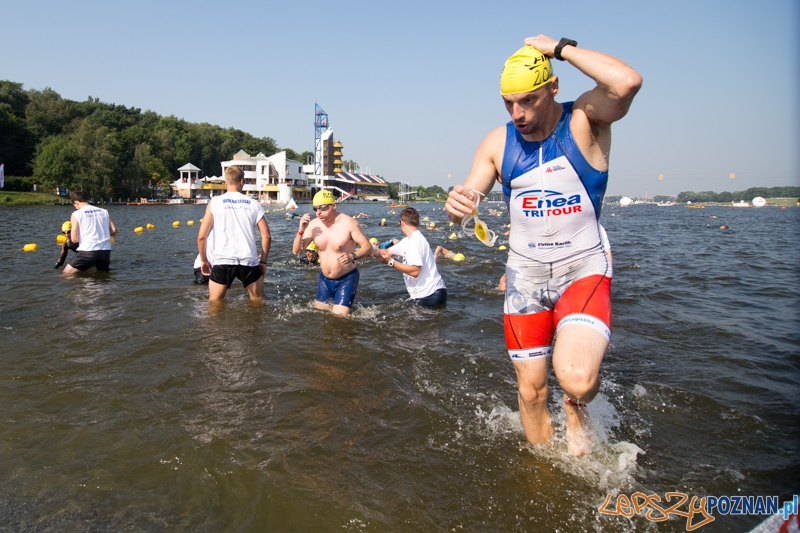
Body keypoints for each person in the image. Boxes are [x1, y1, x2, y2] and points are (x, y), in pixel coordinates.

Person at [445, 35, 641, 455]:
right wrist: (457, 206)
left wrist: (559, 48)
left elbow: (626, 82)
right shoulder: (498, 143)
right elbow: (468, 200)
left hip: (582, 267)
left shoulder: (584, 120)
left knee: (577, 379)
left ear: (553, 87)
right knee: (531, 392)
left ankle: (575, 406)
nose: (517, 114)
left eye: (528, 101)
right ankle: (544, 471)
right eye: (508, 103)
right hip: (525, 277)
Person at [197, 166, 271, 301]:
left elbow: (202, 237)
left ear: (226, 182)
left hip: (223, 259)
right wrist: (263, 262)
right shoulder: (254, 204)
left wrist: (204, 260)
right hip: (248, 260)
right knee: (257, 303)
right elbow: (266, 235)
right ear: (242, 182)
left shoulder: (215, 202)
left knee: (215, 304)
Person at [292, 190, 372, 316]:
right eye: (315, 208)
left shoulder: (349, 223)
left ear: (334, 206)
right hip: (324, 280)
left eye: (323, 207)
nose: (318, 212)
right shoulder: (313, 225)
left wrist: (353, 256)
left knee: (338, 318)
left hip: (346, 278)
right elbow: (297, 250)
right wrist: (300, 230)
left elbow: (367, 246)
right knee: (319, 316)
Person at [374, 207, 447, 306]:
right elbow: (387, 251)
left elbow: (415, 271)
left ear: (402, 223)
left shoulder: (415, 241)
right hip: (435, 292)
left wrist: (390, 262)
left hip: (429, 294)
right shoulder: (408, 240)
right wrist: (367, 253)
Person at [61, 191, 117, 275]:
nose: (75, 208)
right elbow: (114, 230)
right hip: (105, 250)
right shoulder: (103, 211)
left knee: (65, 274)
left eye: (74, 205)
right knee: (102, 276)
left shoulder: (76, 214)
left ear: (76, 202)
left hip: (88, 250)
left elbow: (74, 239)